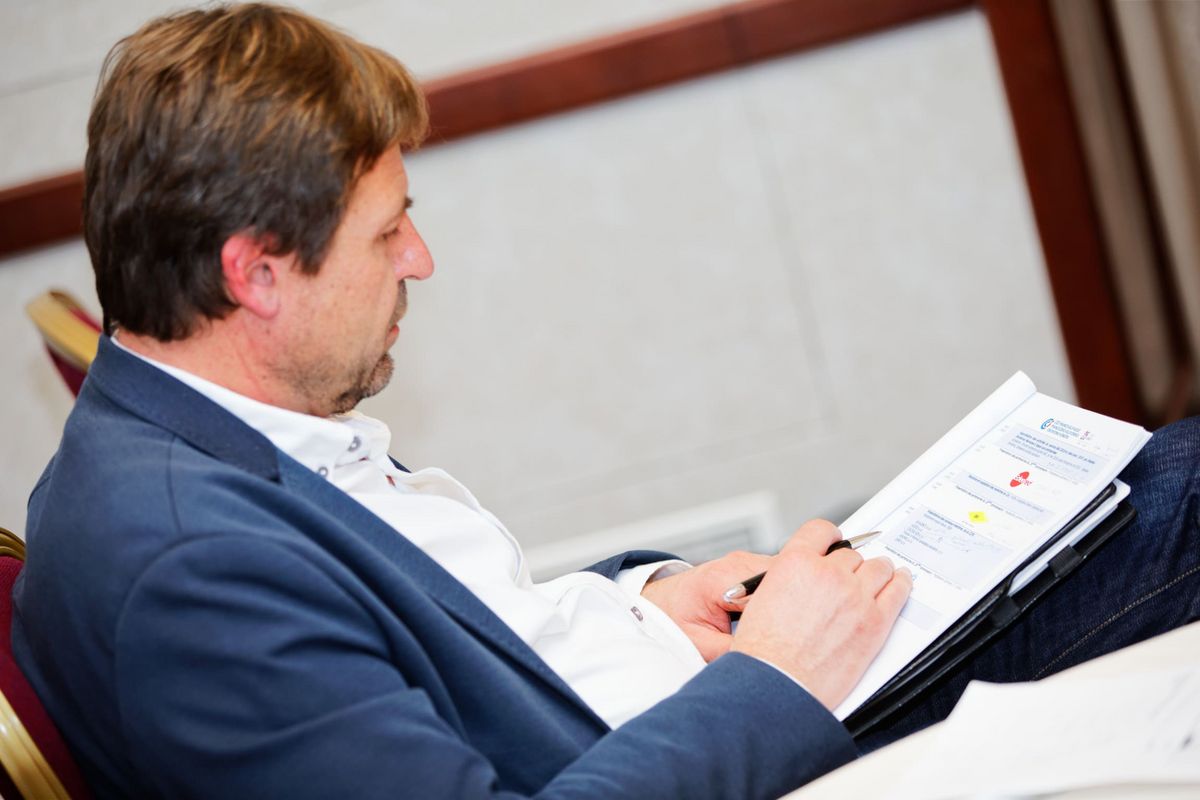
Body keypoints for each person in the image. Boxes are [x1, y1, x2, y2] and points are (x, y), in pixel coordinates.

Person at [12, 3, 1199, 799]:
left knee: (1098, 493)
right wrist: (776, 678)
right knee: (1178, 501)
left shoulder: (191, 421)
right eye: (386, 232)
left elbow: (456, 628)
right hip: (729, 749)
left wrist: (644, 601)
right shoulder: (188, 574)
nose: (420, 259)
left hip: (684, 703)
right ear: (256, 273)